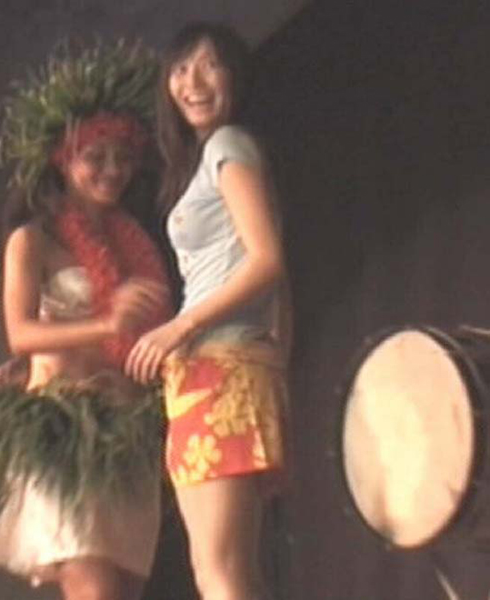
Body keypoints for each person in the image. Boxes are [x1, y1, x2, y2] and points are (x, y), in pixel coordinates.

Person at [0, 41, 171, 600]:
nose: (113, 170)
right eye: (95, 156)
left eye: (123, 157)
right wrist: (108, 324)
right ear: (62, 159)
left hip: (125, 434)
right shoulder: (32, 242)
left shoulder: (136, 244)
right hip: (65, 430)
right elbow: (20, 334)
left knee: (122, 592)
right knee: (93, 590)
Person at [124, 22, 291, 600]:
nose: (192, 82)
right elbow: (279, 283)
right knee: (231, 571)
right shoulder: (210, 156)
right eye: (180, 69)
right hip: (221, 367)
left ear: (235, 77)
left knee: (219, 572)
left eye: (209, 65)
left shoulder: (228, 145)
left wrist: (180, 326)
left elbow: (267, 260)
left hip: (220, 366)